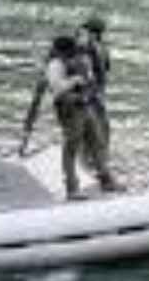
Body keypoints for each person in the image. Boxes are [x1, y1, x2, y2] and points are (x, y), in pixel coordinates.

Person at [43, 33, 119, 200]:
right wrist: (74, 81)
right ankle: (72, 187)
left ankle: (106, 179)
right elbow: (56, 88)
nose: (74, 53)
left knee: (96, 141)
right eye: (71, 51)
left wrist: (90, 87)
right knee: (71, 147)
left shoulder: (79, 60)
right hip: (69, 109)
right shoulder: (55, 64)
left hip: (86, 105)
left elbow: (90, 78)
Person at [77, 14, 111, 153]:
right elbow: (106, 69)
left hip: (91, 93)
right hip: (100, 92)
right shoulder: (104, 48)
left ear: (92, 32)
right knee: (101, 128)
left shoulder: (89, 48)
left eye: (86, 30)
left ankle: (86, 159)